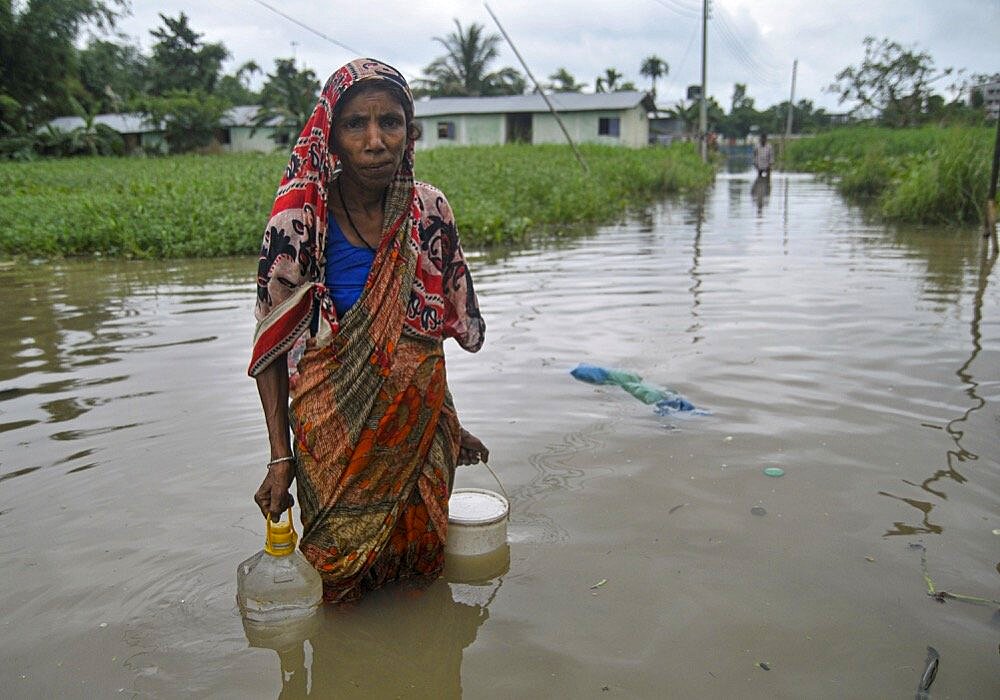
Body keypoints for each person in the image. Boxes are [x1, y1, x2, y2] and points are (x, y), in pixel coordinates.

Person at [248, 58, 489, 603]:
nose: (376, 140)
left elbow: (424, 342)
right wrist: (279, 457)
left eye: (392, 123)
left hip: (419, 425)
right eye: (357, 123)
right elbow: (270, 347)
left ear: (410, 133)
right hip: (334, 428)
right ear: (330, 135)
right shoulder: (298, 222)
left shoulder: (429, 210)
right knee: (337, 580)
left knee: (422, 574)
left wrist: (451, 423)